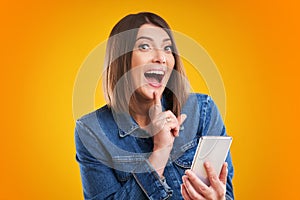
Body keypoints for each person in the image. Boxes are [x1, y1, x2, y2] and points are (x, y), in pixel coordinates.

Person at [75, 12, 234, 200]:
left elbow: (226, 193)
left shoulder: (203, 110)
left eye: (167, 48)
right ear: (121, 59)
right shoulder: (92, 131)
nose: (161, 57)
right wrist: (160, 151)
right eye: (144, 46)